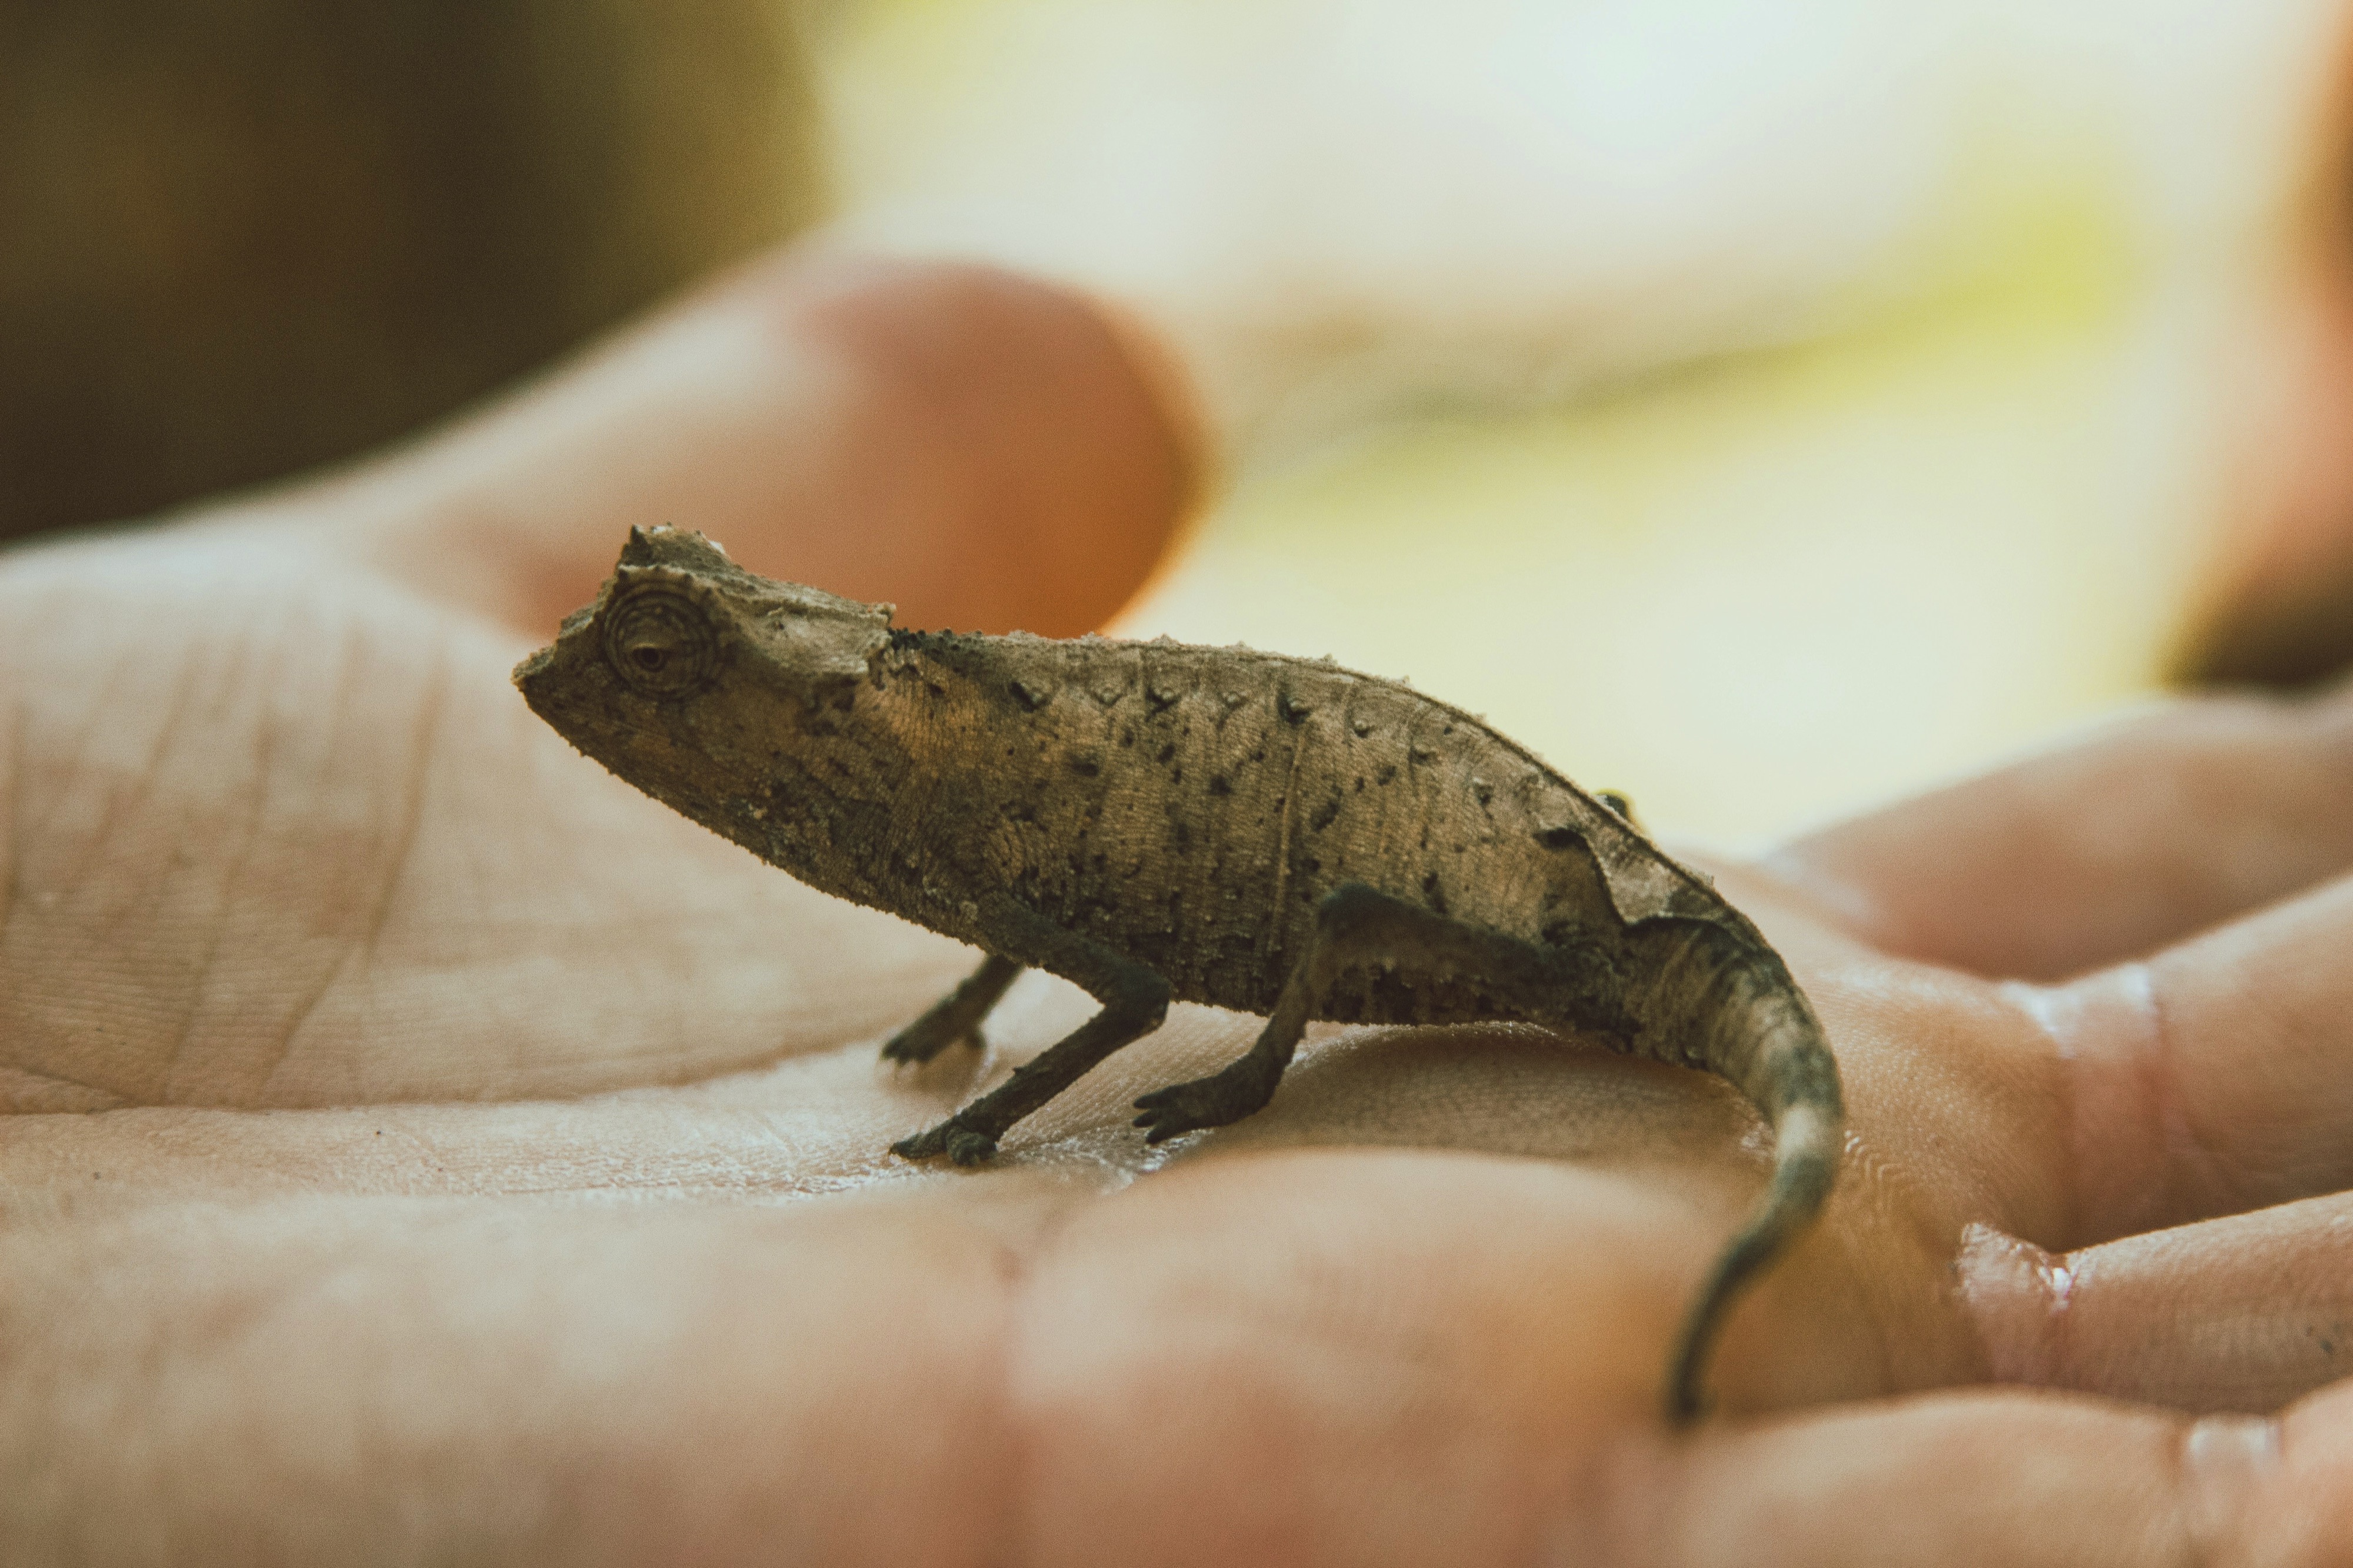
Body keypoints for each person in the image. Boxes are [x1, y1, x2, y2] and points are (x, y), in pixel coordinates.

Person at [4, 242, 2349, 1567]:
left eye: (673, 683)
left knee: (1290, 937)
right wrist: (961, 1045)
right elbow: (1034, 898)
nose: (620, 713)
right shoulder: (914, 771)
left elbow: (1120, 960)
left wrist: (1103, 1090)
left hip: (1442, 904)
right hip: (1367, 855)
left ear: (775, 699)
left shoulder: (918, 759)